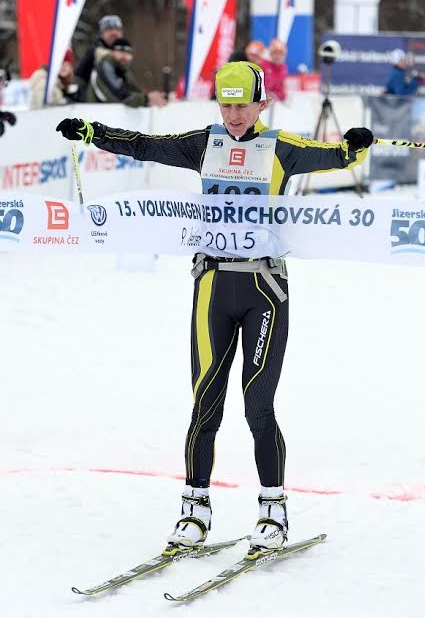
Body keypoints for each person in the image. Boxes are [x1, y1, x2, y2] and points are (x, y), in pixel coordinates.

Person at [55, 61, 373, 554]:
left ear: (262, 103)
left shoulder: (281, 148)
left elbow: (335, 156)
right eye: (226, 104)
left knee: (258, 405)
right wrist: (94, 132)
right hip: (212, 287)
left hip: (264, 290)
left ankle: (273, 510)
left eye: (242, 105)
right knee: (205, 404)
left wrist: (354, 145)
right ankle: (195, 509)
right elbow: (146, 145)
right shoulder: (205, 144)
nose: (234, 114)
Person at [87, 38, 167, 107]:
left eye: (127, 53)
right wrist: (147, 99)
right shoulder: (105, 67)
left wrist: (152, 98)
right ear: (112, 52)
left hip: (107, 115)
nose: (124, 56)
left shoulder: (123, 70)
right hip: (92, 115)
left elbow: (133, 90)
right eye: (120, 51)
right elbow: (120, 97)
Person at [75, 14, 124, 89]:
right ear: (102, 33)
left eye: (117, 29)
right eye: (109, 29)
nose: (114, 33)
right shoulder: (94, 52)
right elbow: (80, 76)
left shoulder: (125, 53)